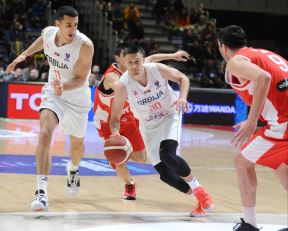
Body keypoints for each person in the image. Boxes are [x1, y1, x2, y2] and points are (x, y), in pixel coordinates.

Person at [6, 6, 94, 211]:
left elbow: (81, 79)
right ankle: (41, 192)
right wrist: (24, 55)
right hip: (53, 93)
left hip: (77, 98)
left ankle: (72, 169)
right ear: (58, 25)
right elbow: (42, 41)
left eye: (76, 25)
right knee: (45, 133)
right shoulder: (49, 32)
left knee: (77, 147)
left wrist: (64, 86)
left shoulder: (85, 45)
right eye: (68, 25)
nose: (73, 29)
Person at [109, 45, 214, 216]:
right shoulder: (123, 85)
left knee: (168, 155)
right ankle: (198, 197)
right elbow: (114, 119)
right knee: (165, 174)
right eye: (130, 63)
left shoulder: (155, 69)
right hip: (148, 125)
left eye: (137, 61)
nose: (134, 66)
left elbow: (183, 78)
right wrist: (114, 135)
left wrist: (182, 98)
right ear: (124, 63)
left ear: (143, 60)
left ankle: (201, 192)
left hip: (169, 115)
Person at [94, 42, 191, 200]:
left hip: (128, 117)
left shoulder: (137, 66)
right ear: (120, 59)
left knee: (141, 158)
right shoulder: (113, 76)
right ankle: (129, 184)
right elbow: (119, 87)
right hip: (108, 121)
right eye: (127, 61)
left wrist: (172, 56)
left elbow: (151, 59)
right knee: (118, 154)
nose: (133, 64)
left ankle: (120, 154)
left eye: (136, 61)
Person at [217, 25, 288, 231]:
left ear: (222, 47)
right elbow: (276, 86)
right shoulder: (265, 54)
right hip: (281, 121)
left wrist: (251, 120)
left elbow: (264, 78)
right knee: (280, 167)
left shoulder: (236, 61)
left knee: (242, 162)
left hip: (282, 125)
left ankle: (249, 224)